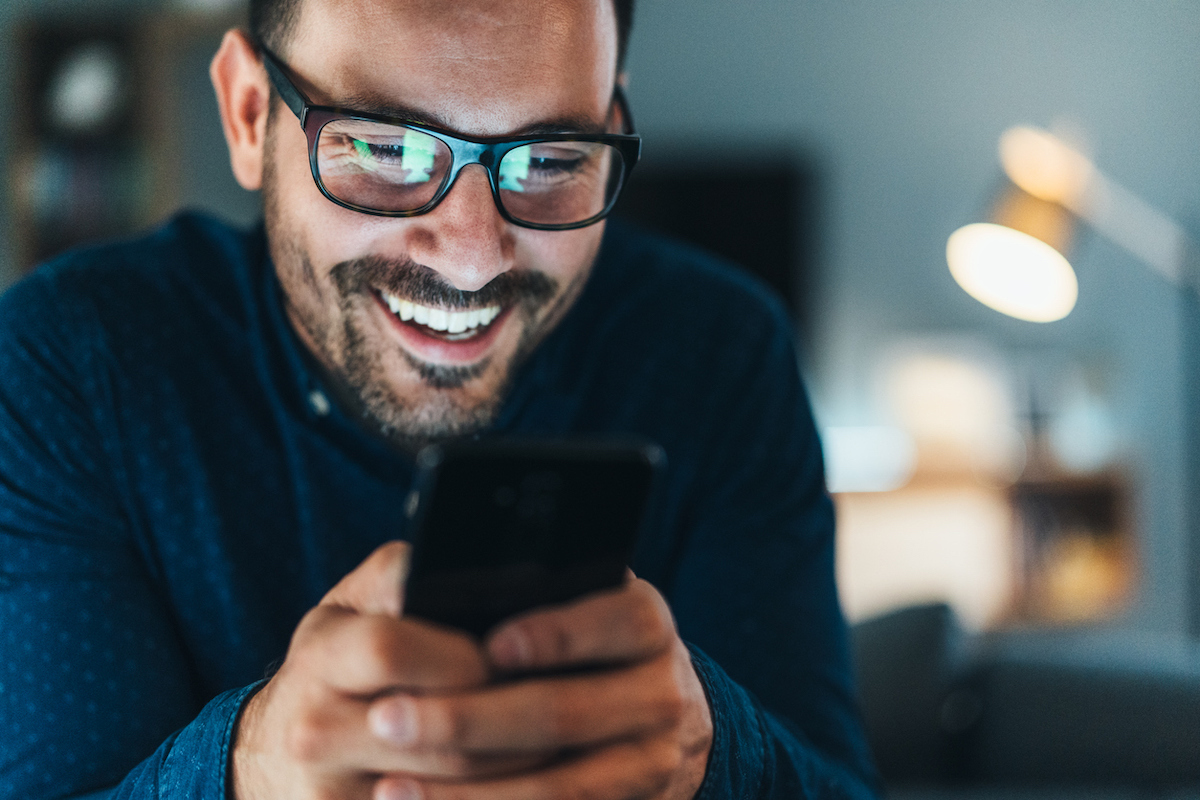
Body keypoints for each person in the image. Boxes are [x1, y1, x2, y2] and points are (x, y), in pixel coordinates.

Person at [0, 1, 879, 798]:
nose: (472, 259)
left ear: (613, 124)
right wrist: (248, 772)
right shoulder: (73, 364)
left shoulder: (718, 352)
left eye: (551, 159)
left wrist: (713, 752)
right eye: (387, 149)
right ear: (246, 110)